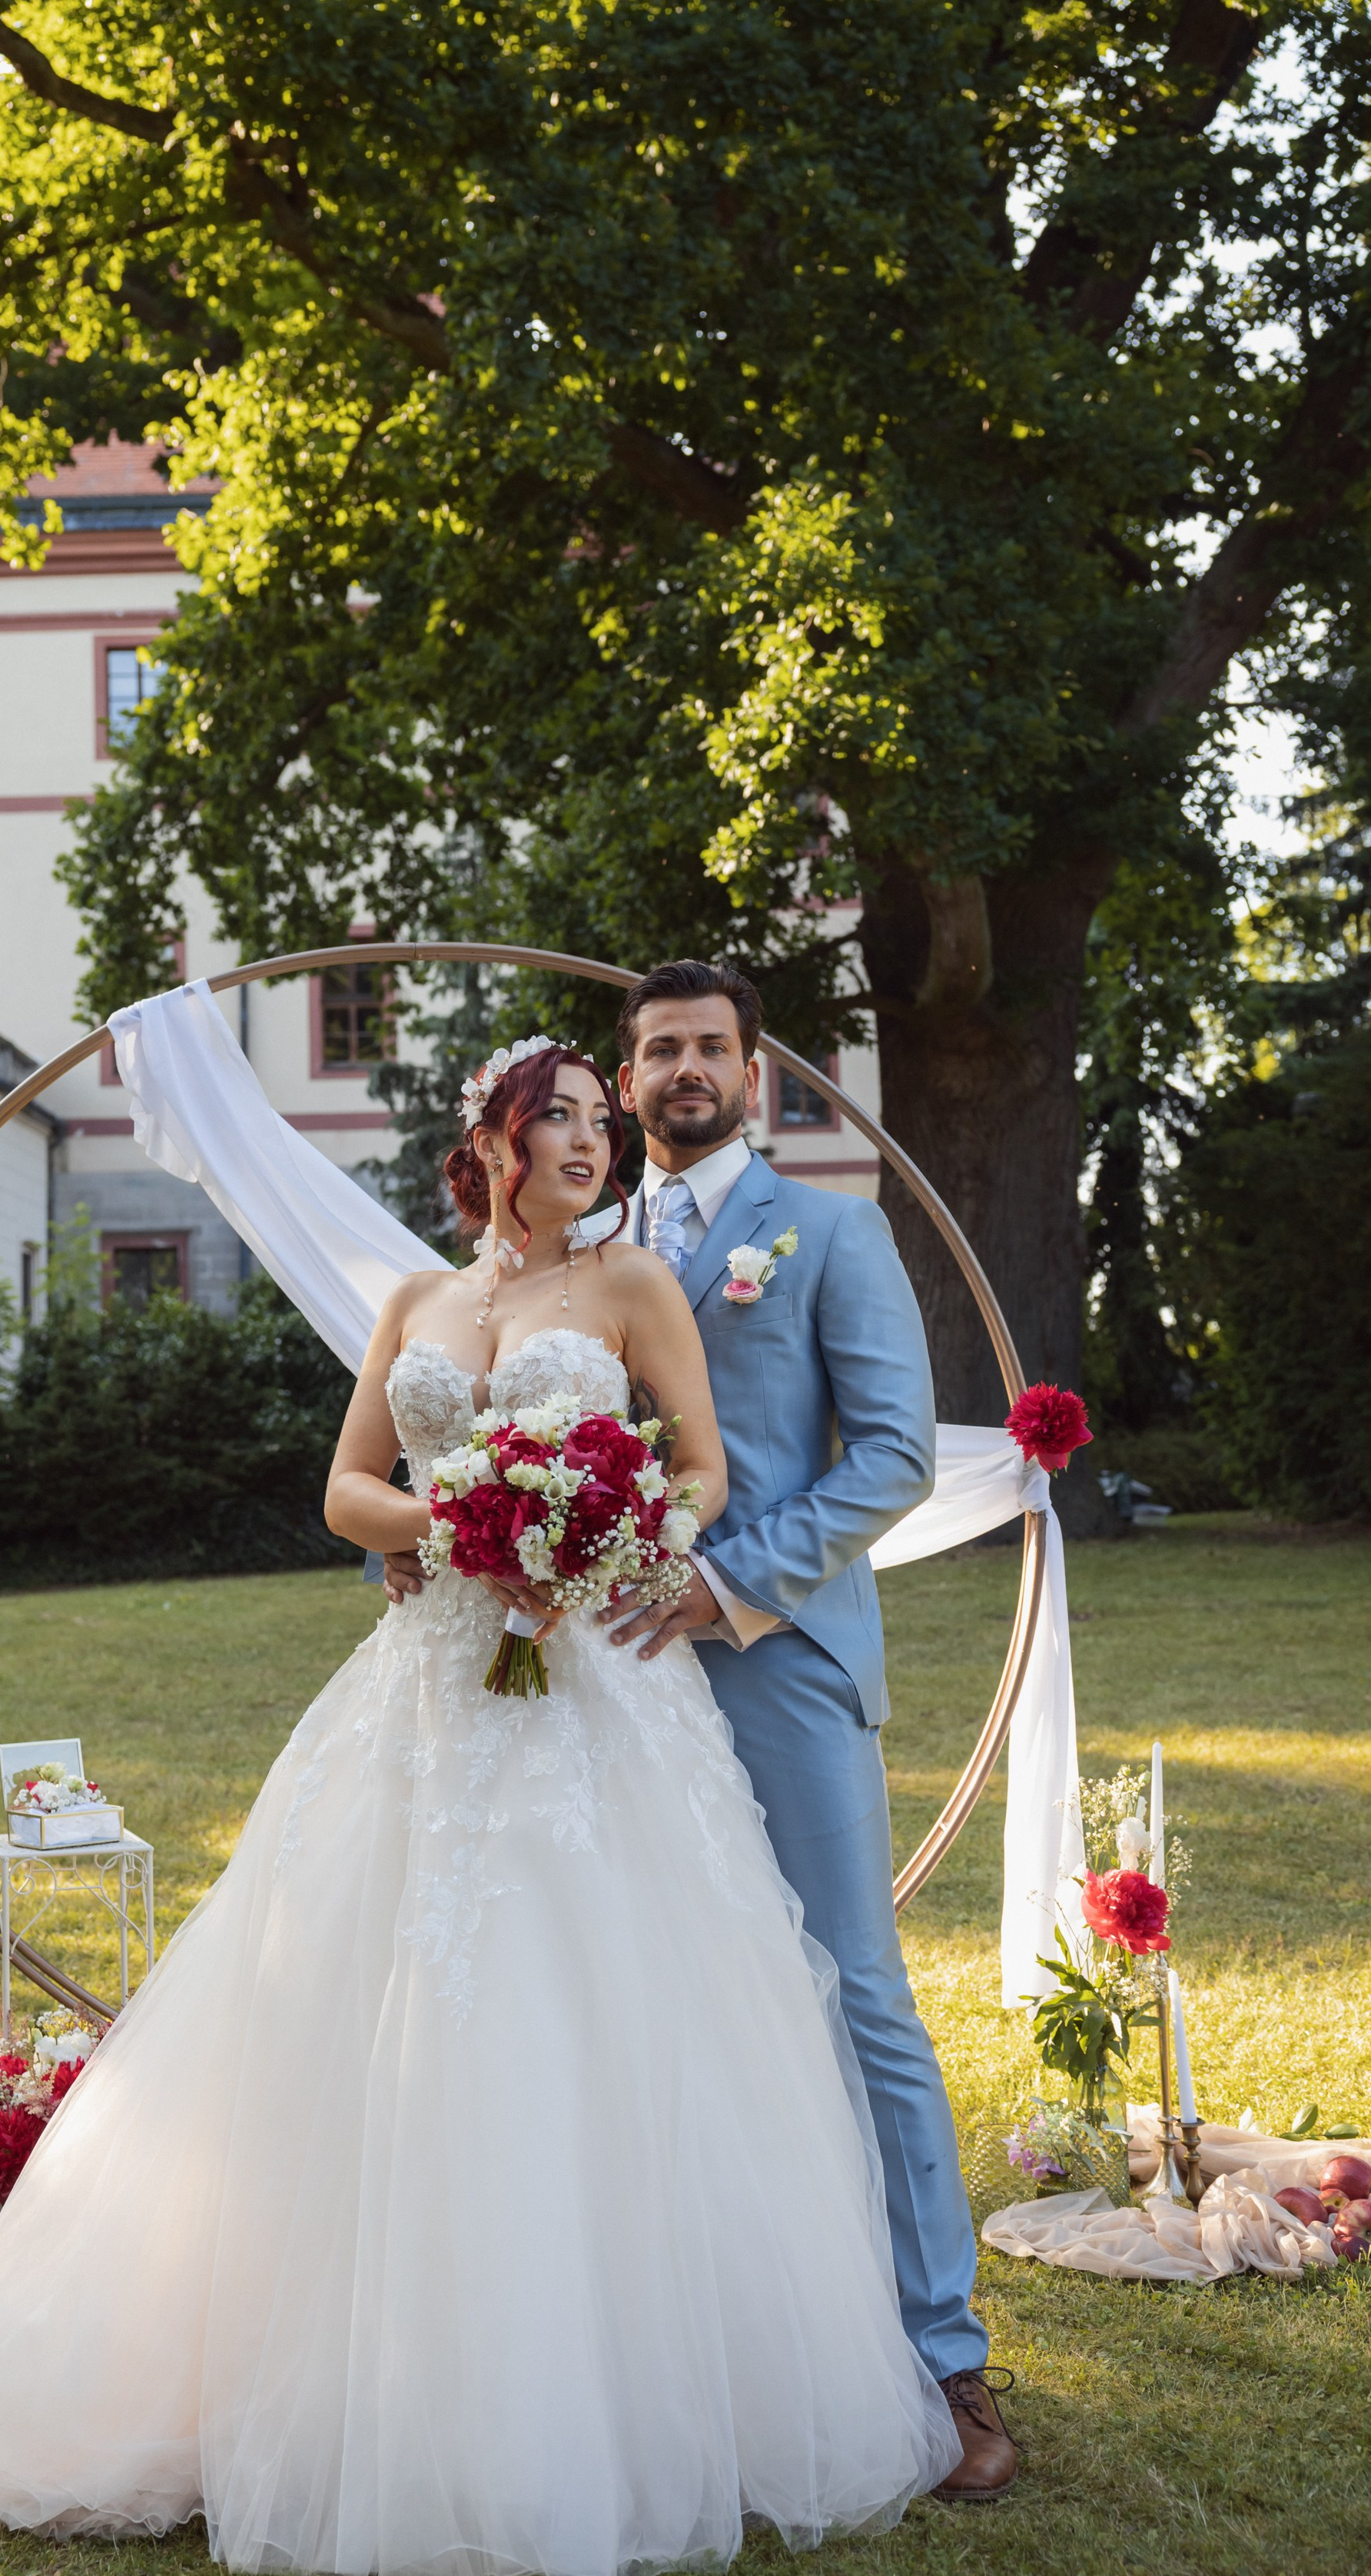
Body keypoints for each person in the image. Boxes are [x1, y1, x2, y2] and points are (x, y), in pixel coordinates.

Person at [0, 1036, 959, 2576]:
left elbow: (704, 1468)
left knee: (591, 2004)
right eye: (566, 1120)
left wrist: (609, 1528)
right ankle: (348, 2382)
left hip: (594, 1687)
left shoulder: (636, 1291)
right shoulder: (416, 1304)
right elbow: (349, 1489)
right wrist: (466, 1516)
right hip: (431, 1684)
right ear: (497, 1141)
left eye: (603, 1120)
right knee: (355, 1996)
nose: (596, 1142)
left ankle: (612, 2398)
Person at [384, 968, 1017, 2497]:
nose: (683, 1070)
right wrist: (432, 1539)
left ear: (756, 1073)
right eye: (657, 1049)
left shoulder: (830, 1231)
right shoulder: (575, 1249)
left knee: (851, 1987)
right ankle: (689, 2351)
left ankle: (943, 2355)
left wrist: (720, 1583)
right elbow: (465, 1420)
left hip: (773, 1658)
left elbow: (891, 1459)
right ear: (616, 1079)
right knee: (623, 2001)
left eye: (710, 1048)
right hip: (592, 1684)